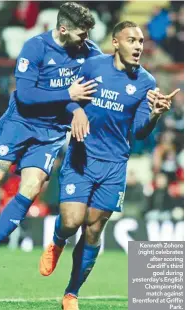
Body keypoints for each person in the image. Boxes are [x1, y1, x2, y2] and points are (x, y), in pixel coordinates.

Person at [39, 21, 180, 310]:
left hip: (114, 165)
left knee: (93, 230)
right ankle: (57, 240)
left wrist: (154, 114)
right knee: (71, 221)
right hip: (82, 156)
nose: (138, 46)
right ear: (115, 43)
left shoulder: (146, 83)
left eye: (140, 41)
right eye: (131, 40)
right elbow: (67, 97)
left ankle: (71, 293)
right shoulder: (93, 66)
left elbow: (140, 130)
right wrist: (76, 110)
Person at [0, 2, 101, 280]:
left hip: (50, 134)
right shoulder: (35, 48)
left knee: (31, 186)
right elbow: (26, 96)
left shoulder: (90, 54)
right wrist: (69, 95)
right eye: (81, 34)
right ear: (63, 29)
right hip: (20, 123)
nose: (85, 40)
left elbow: (105, 82)